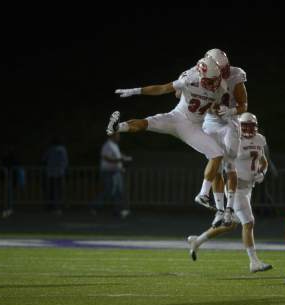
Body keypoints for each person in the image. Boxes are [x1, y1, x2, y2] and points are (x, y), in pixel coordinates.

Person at [107, 56, 226, 222]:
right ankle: (117, 127)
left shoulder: (220, 83)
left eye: (215, 80)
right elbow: (163, 89)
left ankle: (204, 194)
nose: (213, 84)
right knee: (148, 122)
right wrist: (137, 90)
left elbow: (214, 104)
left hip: (192, 126)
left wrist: (221, 109)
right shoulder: (189, 78)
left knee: (217, 154)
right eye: (209, 80)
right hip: (179, 119)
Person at [186, 113, 272, 273]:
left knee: (231, 224)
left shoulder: (260, 139)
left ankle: (197, 241)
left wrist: (262, 172)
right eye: (244, 125)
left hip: (249, 188)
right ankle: (254, 262)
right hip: (236, 188)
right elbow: (222, 168)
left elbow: (263, 161)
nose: (247, 129)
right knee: (249, 222)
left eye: (250, 125)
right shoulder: (232, 140)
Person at [194, 49, 248, 225]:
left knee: (229, 164)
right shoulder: (199, 73)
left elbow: (244, 104)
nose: (223, 73)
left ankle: (229, 210)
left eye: (225, 69)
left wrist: (231, 110)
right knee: (215, 164)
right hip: (209, 122)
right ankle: (219, 209)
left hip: (229, 122)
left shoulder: (235, 75)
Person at [92, 132, 132, 218]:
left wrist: (123, 158)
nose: (119, 137)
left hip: (116, 171)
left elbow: (117, 156)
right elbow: (106, 157)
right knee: (109, 191)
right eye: (117, 135)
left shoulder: (114, 145)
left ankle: (117, 210)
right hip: (109, 172)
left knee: (118, 191)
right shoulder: (107, 145)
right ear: (113, 135)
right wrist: (120, 159)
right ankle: (95, 207)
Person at [42, 136, 69, 215]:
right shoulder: (62, 149)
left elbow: (44, 159)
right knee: (59, 190)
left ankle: (50, 206)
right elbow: (65, 161)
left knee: (51, 190)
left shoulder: (50, 149)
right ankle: (57, 207)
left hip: (50, 172)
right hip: (59, 172)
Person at [1, 146, 25, 218]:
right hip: (12, 176)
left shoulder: (7, 158)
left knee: (8, 192)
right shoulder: (15, 159)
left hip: (10, 176)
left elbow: (4, 165)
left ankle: (8, 207)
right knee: (9, 193)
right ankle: (9, 207)